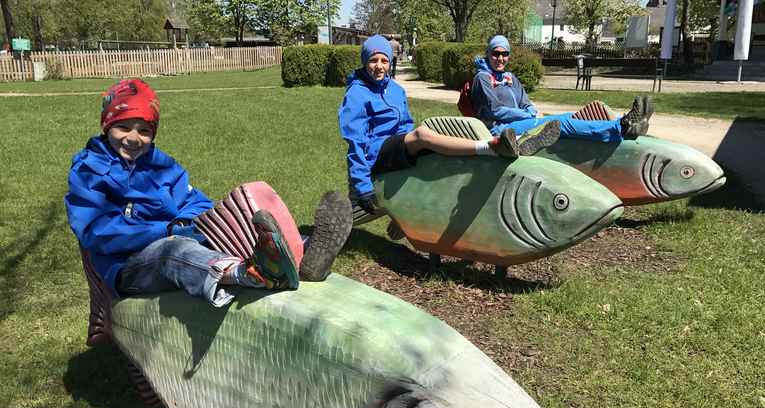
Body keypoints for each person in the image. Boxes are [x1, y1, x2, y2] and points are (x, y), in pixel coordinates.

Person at [65, 79, 351, 308]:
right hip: (129, 265)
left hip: (172, 235)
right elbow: (96, 231)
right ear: (107, 125)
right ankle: (250, 274)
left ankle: (302, 250)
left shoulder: (161, 165)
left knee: (235, 209)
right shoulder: (89, 171)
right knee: (173, 252)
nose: (134, 138)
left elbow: (195, 202)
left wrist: (194, 222)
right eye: (123, 127)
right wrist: (165, 231)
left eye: (144, 130)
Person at [339, 35, 557, 227]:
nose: (379, 66)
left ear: (390, 62)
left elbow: (405, 125)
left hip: (396, 146)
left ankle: (499, 153)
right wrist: (362, 185)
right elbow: (355, 142)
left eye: (384, 60)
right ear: (364, 61)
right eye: (373, 60)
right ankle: (490, 147)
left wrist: (412, 149)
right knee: (423, 135)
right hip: (374, 153)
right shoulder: (357, 94)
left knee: (436, 138)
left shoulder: (395, 90)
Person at [471, 35, 654, 143]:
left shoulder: (510, 78)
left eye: (504, 54)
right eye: (496, 53)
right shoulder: (482, 78)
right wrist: (527, 115)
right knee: (560, 125)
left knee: (568, 116)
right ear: (488, 54)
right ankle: (621, 128)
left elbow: (526, 103)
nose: (500, 58)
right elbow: (496, 111)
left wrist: (530, 110)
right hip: (500, 130)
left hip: (520, 122)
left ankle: (626, 121)